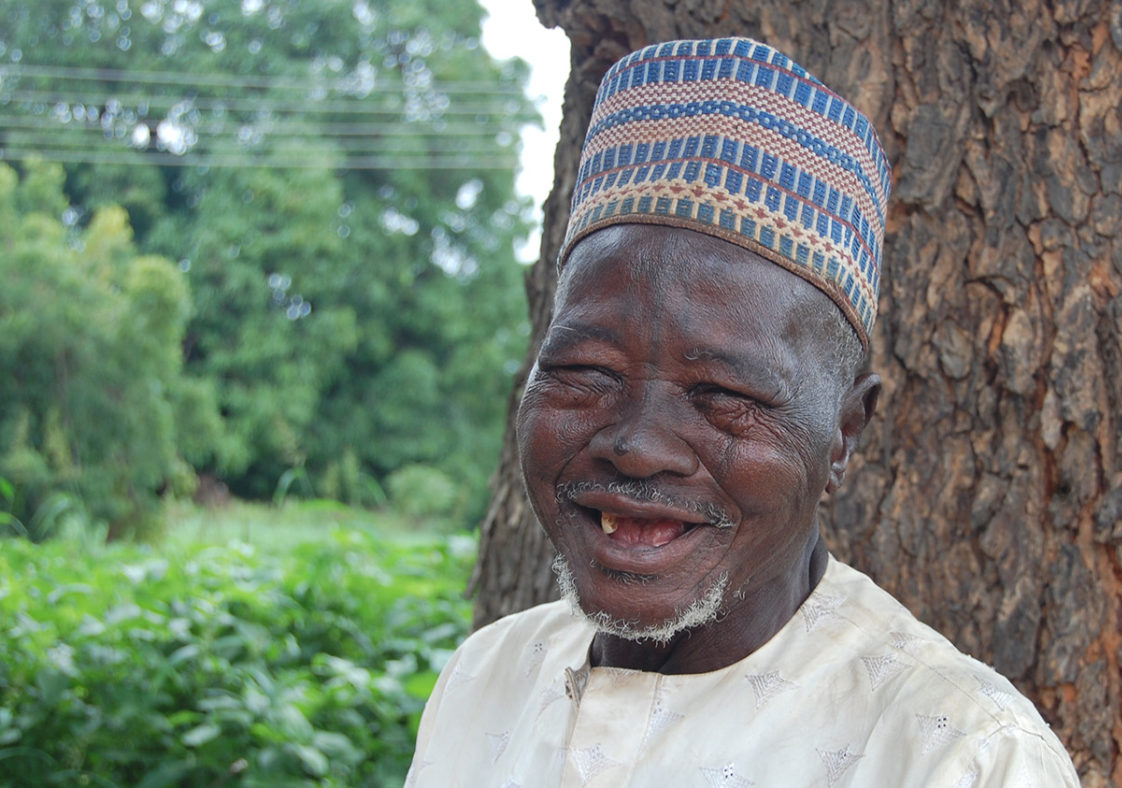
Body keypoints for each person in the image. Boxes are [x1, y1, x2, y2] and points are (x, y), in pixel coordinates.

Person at [407, 37, 1079, 787]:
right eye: (587, 373)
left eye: (723, 396)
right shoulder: (485, 679)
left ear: (844, 435)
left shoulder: (962, 757)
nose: (635, 447)